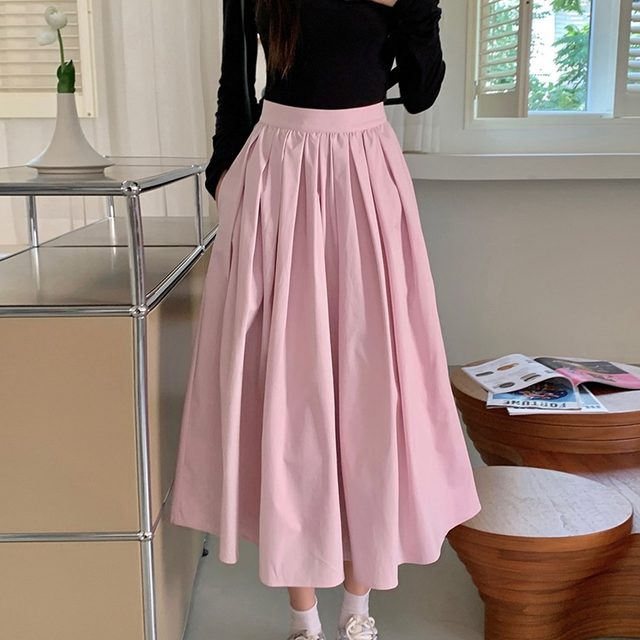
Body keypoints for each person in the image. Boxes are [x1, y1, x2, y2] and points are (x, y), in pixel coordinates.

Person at [169, 1, 482, 639]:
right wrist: (224, 179)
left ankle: (358, 609)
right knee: (288, 384)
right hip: (277, 175)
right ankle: (303, 616)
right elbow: (236, 81)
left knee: (372, 383)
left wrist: (410, 6)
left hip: (366, 174)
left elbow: (422, 92)